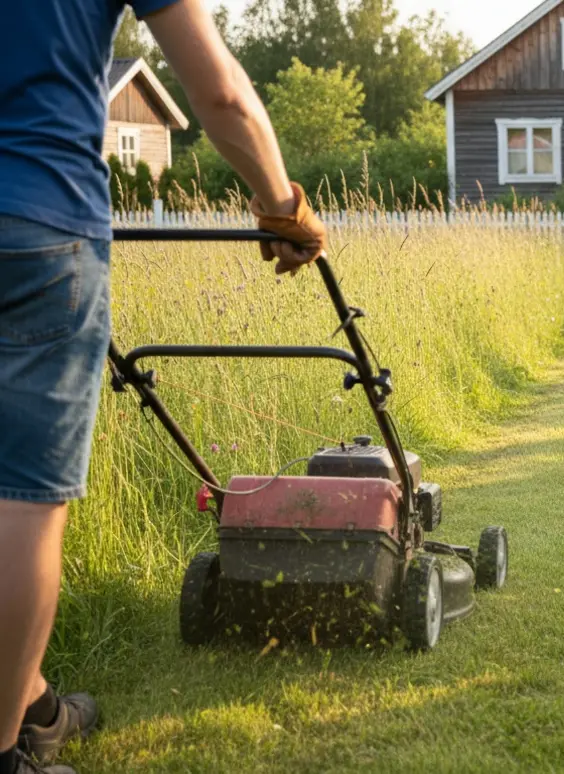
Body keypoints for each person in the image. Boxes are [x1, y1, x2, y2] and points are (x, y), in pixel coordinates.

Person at [0, 3, 327, 773]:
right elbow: (221, 94)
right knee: (23, 502)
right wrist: (282, 206)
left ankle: (32, 702)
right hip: (38, 225)